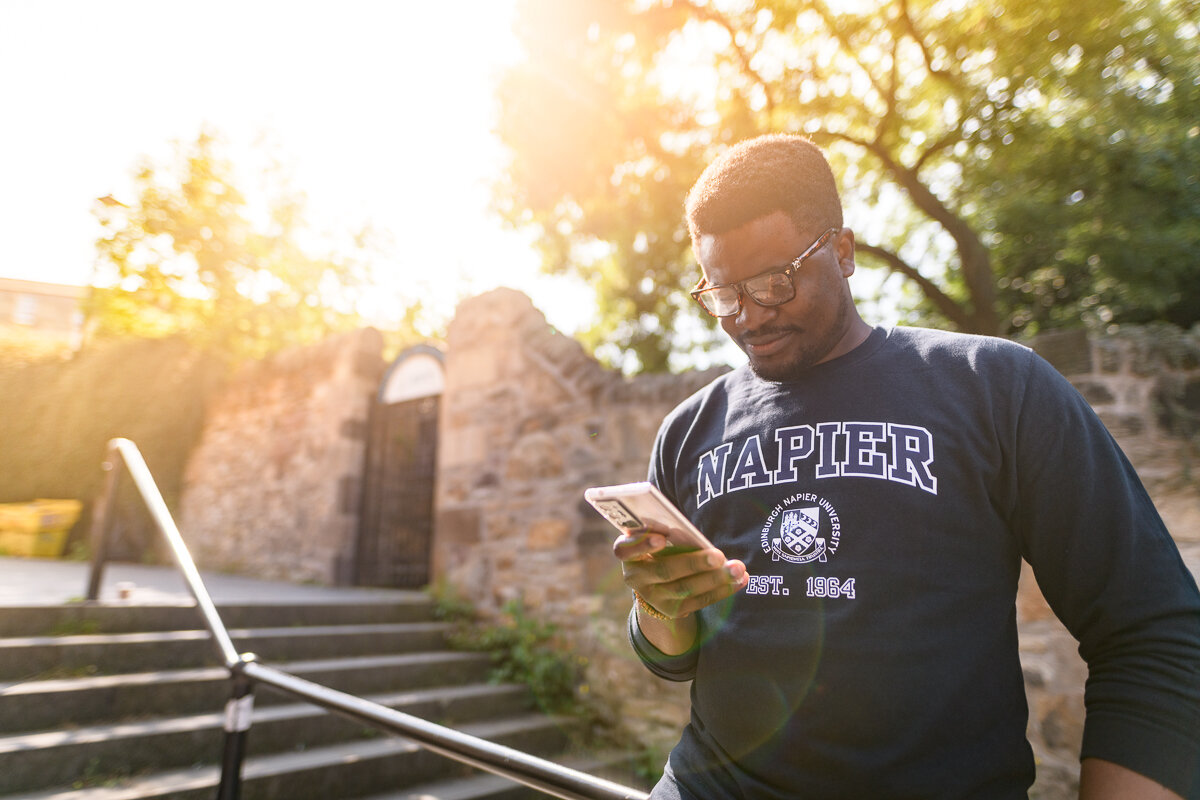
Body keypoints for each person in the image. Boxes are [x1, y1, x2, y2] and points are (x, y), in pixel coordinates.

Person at [614, 133, 1200, 800]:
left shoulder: (996, 388)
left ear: (842, 251)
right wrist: (658, 607)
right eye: (722, 293)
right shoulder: (690, 431)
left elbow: (1153, 631)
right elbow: (673, 659)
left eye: (775, 282)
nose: (749, 315)